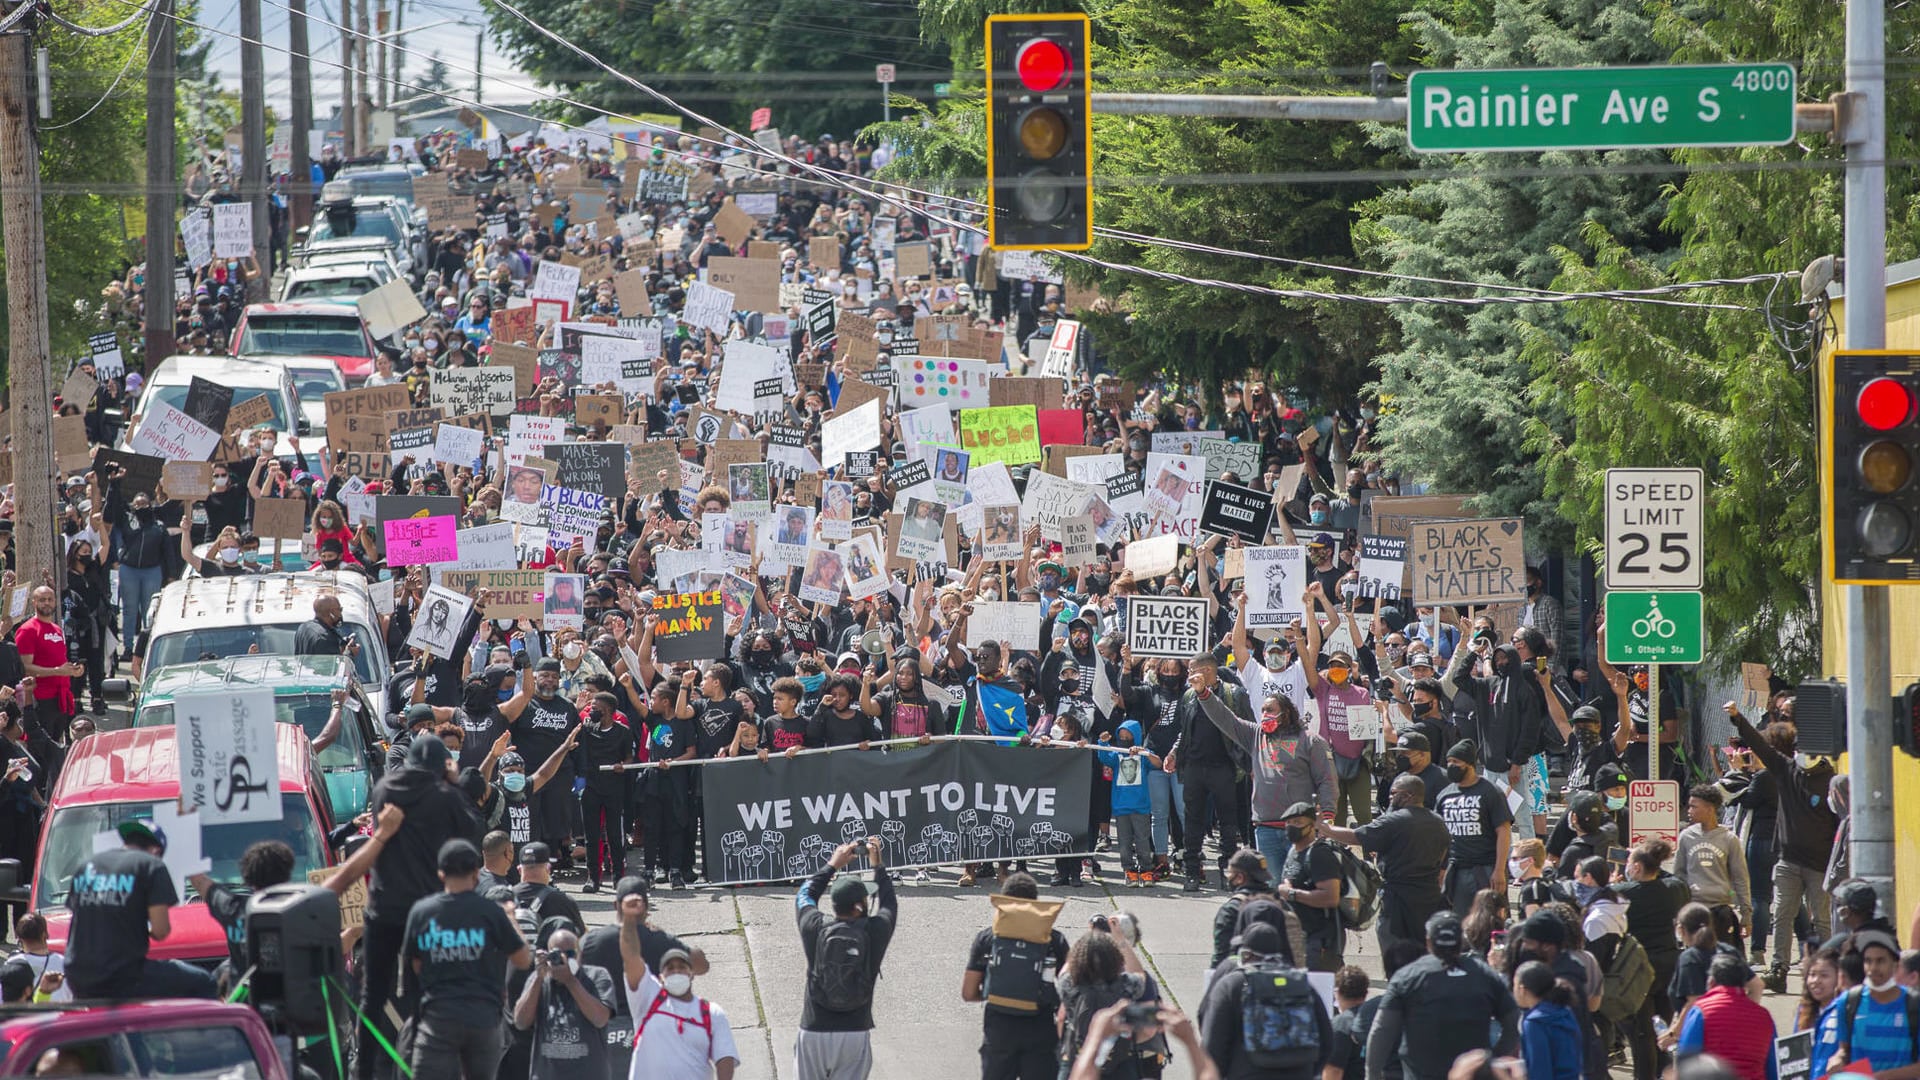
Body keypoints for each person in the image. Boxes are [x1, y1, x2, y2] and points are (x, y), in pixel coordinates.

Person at [357, 734, 483, 1080]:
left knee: (372, 995)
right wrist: (455, 782)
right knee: (423, 995)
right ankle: (418, 1066)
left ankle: (362, 1070)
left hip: (383, 909)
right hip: (427, 913)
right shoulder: (445, 797)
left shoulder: (383, 788)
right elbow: (472, 833)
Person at [403, 838, 534, 1080]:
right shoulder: (491, 912)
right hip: (483, 1021)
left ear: (441, 874)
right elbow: (524, 959)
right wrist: (510, 919)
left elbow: (414, 967)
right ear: (476, 872)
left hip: (437, 1020)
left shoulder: (422, 913)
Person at [1724, 704, 1836, 985]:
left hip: (1819, 863)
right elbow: (1760, 745)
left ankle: (1827, 972)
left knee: (1821, 919)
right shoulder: (1786, 770)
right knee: (1783, 914)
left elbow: (1838, 825)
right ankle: (1778, 970)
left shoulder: (1831, 782)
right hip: (1787, 859)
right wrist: (1738, 719)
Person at [62, 818, 216, 999]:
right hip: (123, 975)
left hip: (76, 975)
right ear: (156, 850)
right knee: (204, 981)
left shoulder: (87, 866)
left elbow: (82, 916)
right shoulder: (151, 864)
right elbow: (161, 930)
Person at [1195, 687, 1334, 876]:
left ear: (1285, 714)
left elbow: (1327, 780)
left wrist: (1327, 816)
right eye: (1262, 710)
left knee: (1300, 886)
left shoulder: (1311, 741)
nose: (1264, 715)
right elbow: (1226, 719)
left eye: (1270, 710)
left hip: (1300, 828)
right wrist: (1203, 692)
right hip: (1265, 829)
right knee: (1273, 888)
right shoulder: (1256, 735)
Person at [1365, 912, 1519, 1080]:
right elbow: (1513, 1023)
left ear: (1428, 941)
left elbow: (1382, 1029)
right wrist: (1491, 1059)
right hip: (1472, 1073)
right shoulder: (1485, 975)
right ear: (1461, 942)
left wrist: (1372, 1074)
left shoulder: (1407, 977)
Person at [795, 837, 896, 1080]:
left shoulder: (814, 926)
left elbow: (805, 894)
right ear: (861, 906)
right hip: (854, 1031)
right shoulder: (875, 931)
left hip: (813, 1028)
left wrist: (833, 864)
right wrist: (877, 865)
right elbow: (890, 903)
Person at [1323, 774, 1451, 955]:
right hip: (1429, 895)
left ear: (1408, 795)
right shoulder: (1438, 822)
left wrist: (1324, 828)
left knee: (1394, 951)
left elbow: (1355, 836)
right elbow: (1443, 861)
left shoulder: (1394, 820)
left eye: (1393, 793)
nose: (1390, 798)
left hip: (1397, 897)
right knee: (1424, 950)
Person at [961, 871, 1070, 1080]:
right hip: (1041, 1028)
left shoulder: (987, 938)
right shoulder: (1054, 939)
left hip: (999, 1027)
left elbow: (968, 992)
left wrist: (994, 993)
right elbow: (1071, 985)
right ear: (1035, 903)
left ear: (1005, 901)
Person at [1198, 920, 1330, 1079]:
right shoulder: (1302, 985)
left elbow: (1213, 1045)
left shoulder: (1231, 985)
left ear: (1246, 954)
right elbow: (1327, 1041)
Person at [1175, 654, 1256, 892]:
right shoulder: (1189, 695)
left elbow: (1249, 731)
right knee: (1192, 821)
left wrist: (1252, 767)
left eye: (1193, 671)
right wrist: (1174, 754)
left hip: (1225, 768)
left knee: (1228, 824)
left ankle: (1227, 872)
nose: (1189, 676)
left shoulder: (1234, 694)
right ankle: (1191, 871)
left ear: (1209, 671)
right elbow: (1184, 731)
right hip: (1194, 767)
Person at [1809, 929, 1919, 1078]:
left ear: (1895, 965)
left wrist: (1882, 1077)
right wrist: (1837, 1059)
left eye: (1880, 961)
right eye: (1868, 961)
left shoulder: (1913, 1004)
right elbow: (1844, 1050)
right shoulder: (1849, 1002)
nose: (1873, 968)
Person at [511, 926, 616, 1080]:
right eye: (557, 954)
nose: (564, 960)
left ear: (579, 955)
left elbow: (600, 1019)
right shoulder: (539, 980)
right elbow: (520, 1022)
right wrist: (539, 978)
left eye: (570, 954)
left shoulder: (597, 976)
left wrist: (571, 981)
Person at [1433, 739, 1512, 915]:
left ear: (1469, 764)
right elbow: (1440, 837)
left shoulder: (1490, 791)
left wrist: (1499, 870)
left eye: (1456, 762)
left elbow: (1504, 831)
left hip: (1486, 868)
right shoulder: (1445, 795)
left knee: (1490, 920)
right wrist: (1441, 868)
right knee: (1461, 922)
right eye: (1449, 762)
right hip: (1457, 869)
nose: (1451, 766)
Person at [1674, 954, 1778, 1080]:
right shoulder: (1764, 1016)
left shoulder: (1701, 1011)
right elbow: (1774, 1065)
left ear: (1711, 981)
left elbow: (1686, 1060)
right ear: (1744, 984)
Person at [1676, 784, 1753, 949]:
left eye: (1694, 806)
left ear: (1710, 809)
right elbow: (1679, 874)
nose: (1689, 810)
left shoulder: (1729, 839)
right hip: (1694, 909)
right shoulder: (1686, 837)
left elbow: (1741, 877)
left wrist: (1746, 914)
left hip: (1720, 911)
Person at [1273, 800, 1344, 972]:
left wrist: (1291, 893)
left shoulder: (1319, 854)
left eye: (1297, 822)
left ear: (1312, 826)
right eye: (1288, 822)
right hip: (1298, 937)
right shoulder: (1293, 851)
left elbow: (1331, 897)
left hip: (1320, 941)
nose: (1291, 827)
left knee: (1319, 994)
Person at [1513, 960, 1584, 1080]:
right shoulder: (1565, 1011)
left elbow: (1539, 1069)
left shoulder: (1534, 1022)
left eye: (1514, 985)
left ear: (1522, 989)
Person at [1324, 965, 1374, 1080]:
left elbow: (1334, 1070)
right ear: (1366, 993)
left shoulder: (1340, 1024)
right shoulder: (1376, 1016)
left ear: (1337, 993)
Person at [294, 593, 360, 657]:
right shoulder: (324, 639)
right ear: (330, 613)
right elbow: (333, 667)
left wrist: (342, 643)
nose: (340, 614)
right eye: (339, 609)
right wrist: (349, 653)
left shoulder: (303, 627)